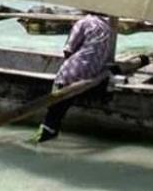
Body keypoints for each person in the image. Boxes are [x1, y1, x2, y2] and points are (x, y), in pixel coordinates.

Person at [35, 11, 116, 143]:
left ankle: (43, 137)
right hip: (94, 74)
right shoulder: (106, 26)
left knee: (54, 111)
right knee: (60, 109)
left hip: (73, 74)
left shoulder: (83, 22)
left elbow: (68, 50)